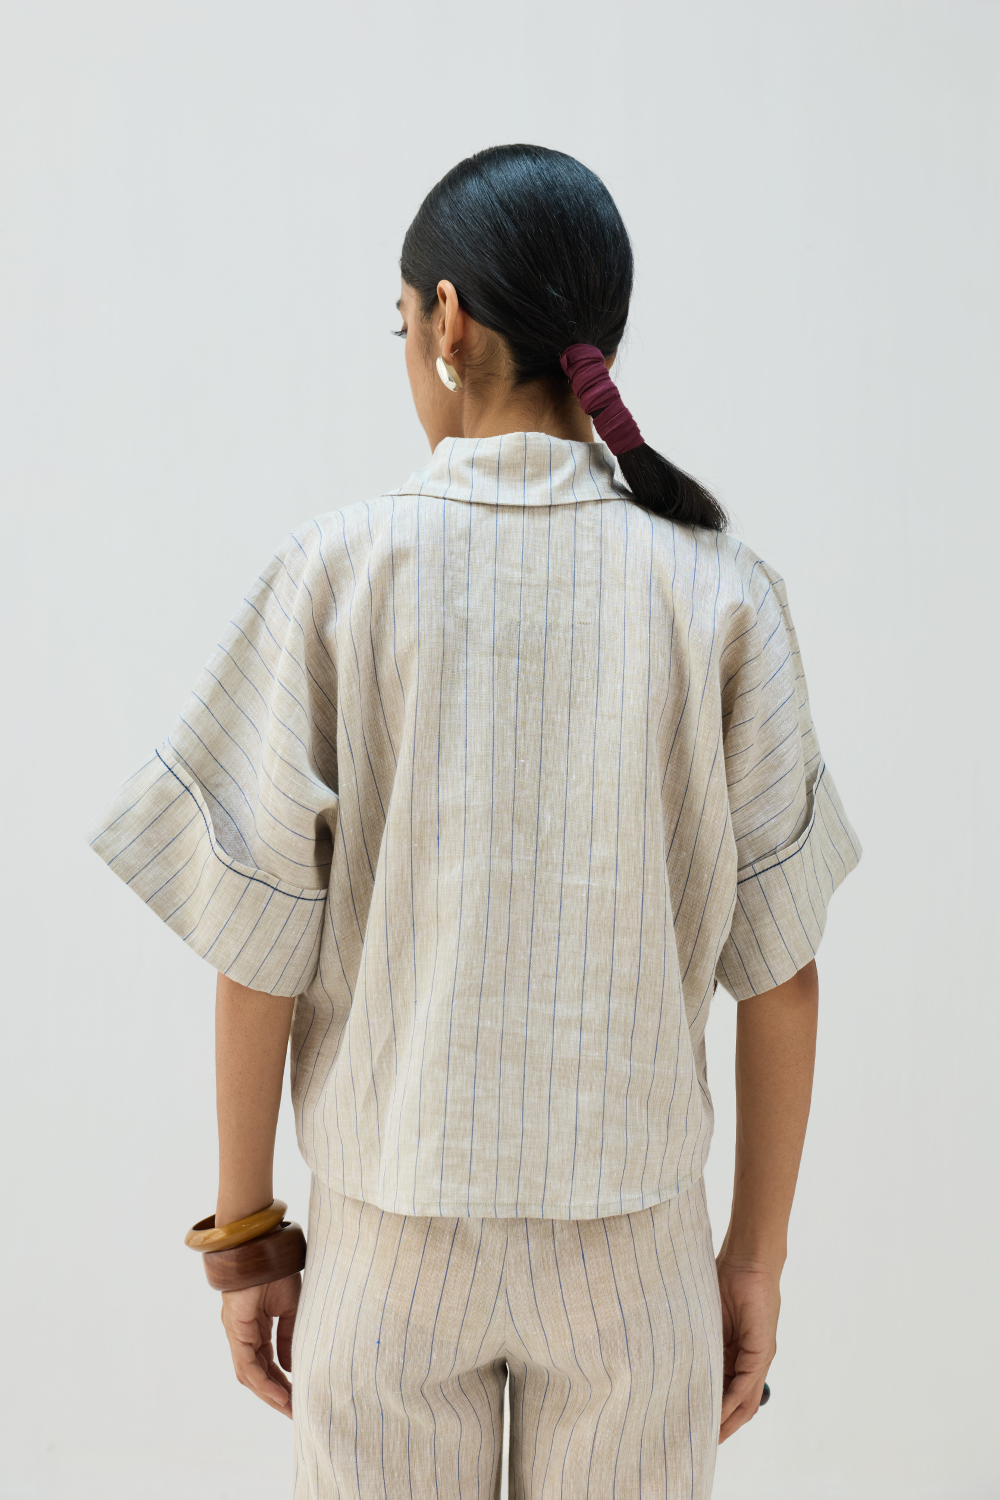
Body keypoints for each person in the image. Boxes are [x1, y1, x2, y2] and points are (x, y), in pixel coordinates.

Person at [87, 144, 861, 1499]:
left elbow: (257, 951)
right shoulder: (722, 591)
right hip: (633, 1251)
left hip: (391, 1245)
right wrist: (756, 1259)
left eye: (400, 322)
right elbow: (783, 974)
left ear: (446, 321)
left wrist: (248, 1242)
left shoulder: (336, 573)